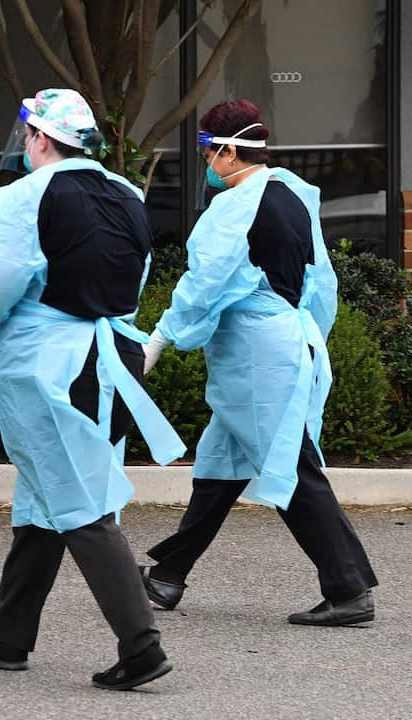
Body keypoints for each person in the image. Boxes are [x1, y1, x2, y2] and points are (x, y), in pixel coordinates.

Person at [0, 89, 186, 691]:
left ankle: (142, 647)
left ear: (41, 138)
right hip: (115, 358)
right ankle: (9, 636)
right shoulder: (126, 194)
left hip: (51, 363)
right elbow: (137, 273)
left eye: (26, 135)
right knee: (47, 497)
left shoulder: (21, 198)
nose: (23, 145)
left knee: (77, 502)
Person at [138, 99, 378, 626]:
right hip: (285, 339)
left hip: (257, 352)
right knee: (220, 465)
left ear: (227, 149)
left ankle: (348, 590)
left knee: (290, 467)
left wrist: (158, 338)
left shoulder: (234, 206)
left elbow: (203, 286)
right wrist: (309, 340)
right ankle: (168, 576)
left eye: (206, 150)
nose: (205, 161)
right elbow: (321, 283)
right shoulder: (292, 192)